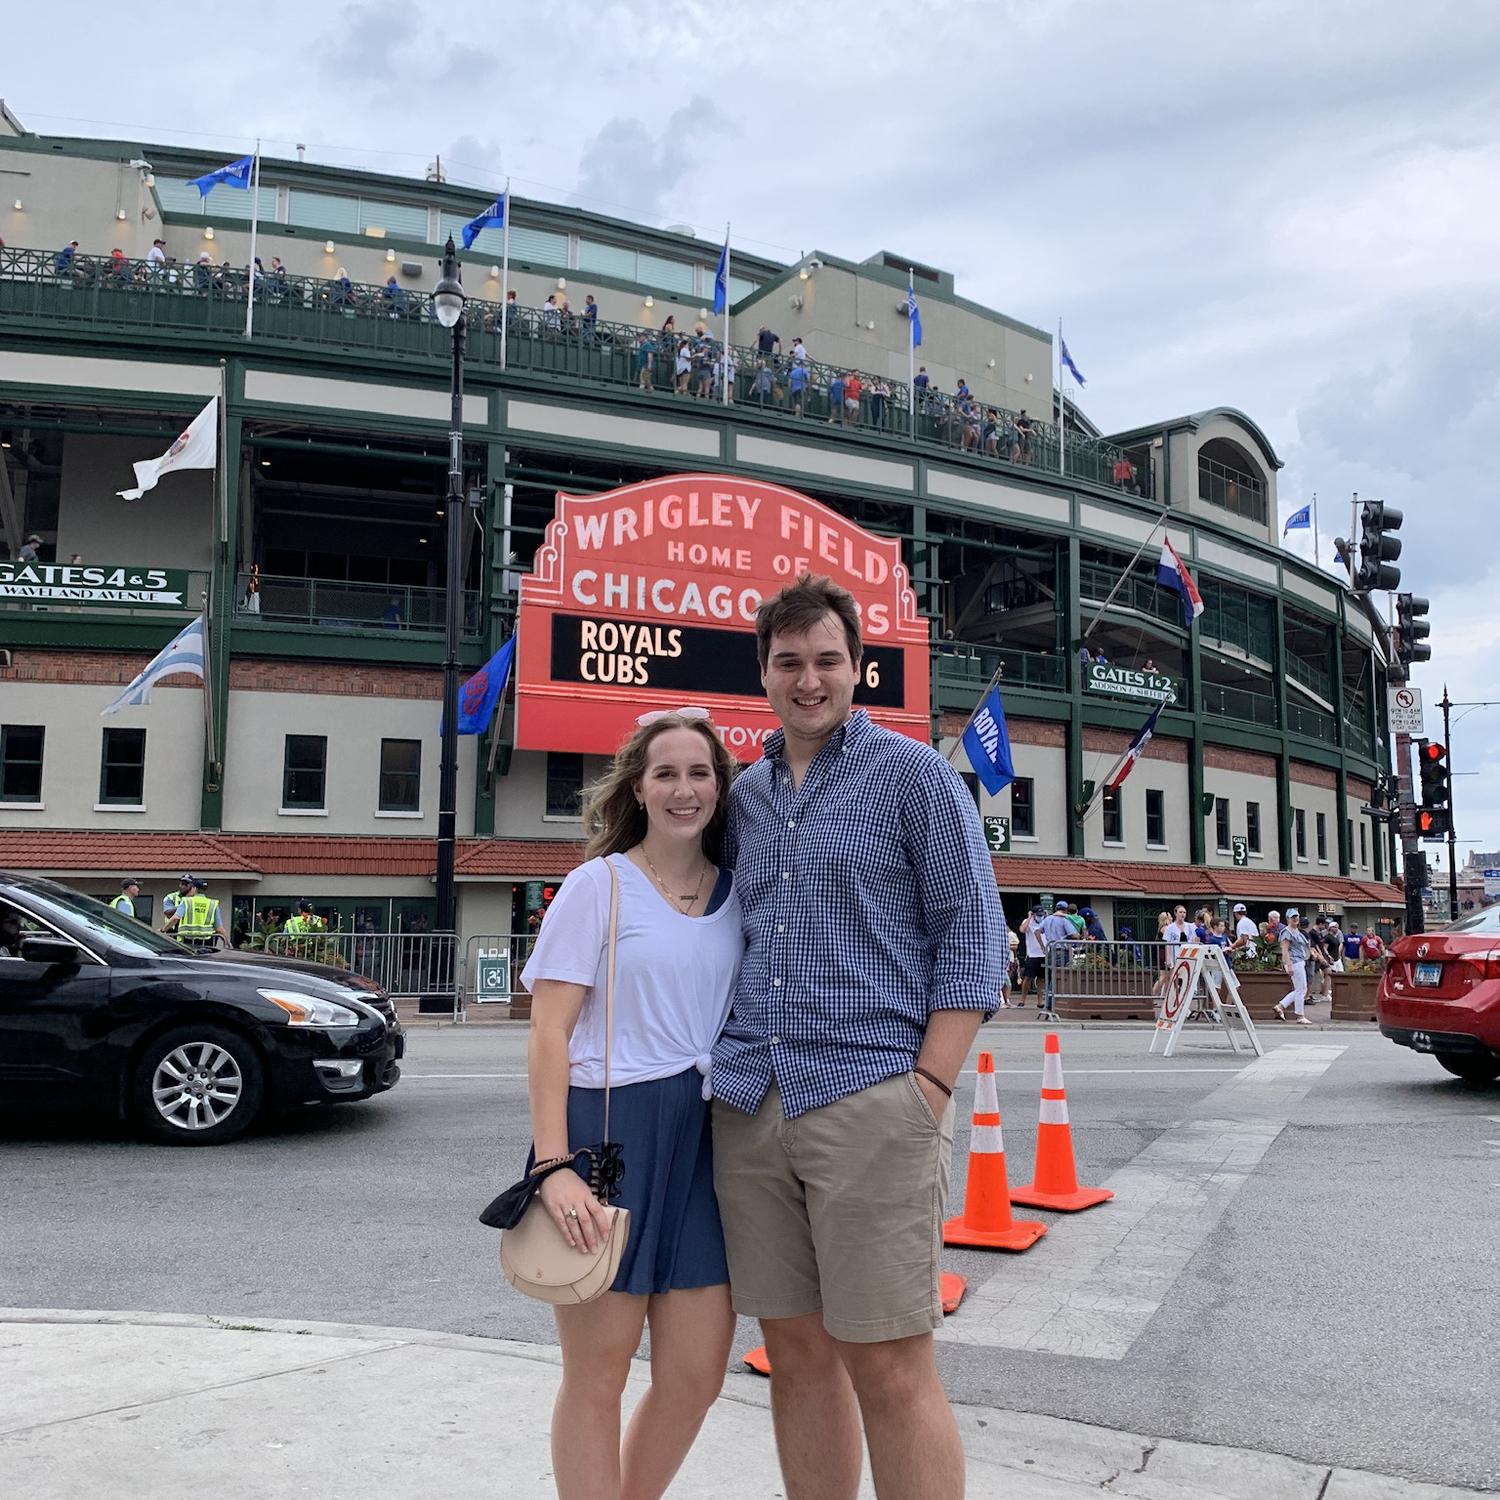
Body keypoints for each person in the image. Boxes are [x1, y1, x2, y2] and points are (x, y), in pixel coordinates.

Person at [712, 575, 1004, 1500]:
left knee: (890, 1364)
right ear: (763, 671)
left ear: (858, 667)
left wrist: (929, 1090)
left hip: (874, 1099)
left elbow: (973, 933)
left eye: (826, 660)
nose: (809, 679)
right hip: (753, 1104)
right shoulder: (744, 797)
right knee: (797, 1356)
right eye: (789, 661)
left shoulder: (914, 776)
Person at [521, 708, 742, 1500]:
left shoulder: (738, 892)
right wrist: (553, 1166)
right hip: (606, 1136)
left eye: (700, 773)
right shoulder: (598, 885)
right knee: (598, 1376)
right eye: (666, 774)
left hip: (704, 1140)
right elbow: (549, 1030)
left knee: (696, 1373)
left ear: (721, 786)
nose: (685, 789)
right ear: (639, 789)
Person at [1273, 909, 1318, 1024]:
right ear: (1288, 919)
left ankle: (1281, 1006)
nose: (1295, 919)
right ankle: (1300, 1015)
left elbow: (1304, 946)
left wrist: (1312, 953)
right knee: (1301, 989)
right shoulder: (1287, 932)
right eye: (1292, 917)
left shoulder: (1297, 931)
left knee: (1300, 989)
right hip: (1294, 962)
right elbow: (1285, 950)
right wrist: (1289, 965)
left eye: (1296, 917)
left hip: (1300, 961)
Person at [166, 877, 230, 951]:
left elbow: (176, 918)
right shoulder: (212, 904)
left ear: (194, 888)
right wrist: (227, 941)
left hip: (187, 942)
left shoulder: (187, 902)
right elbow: (219, 928)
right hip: (207, 943)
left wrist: (163, 930)